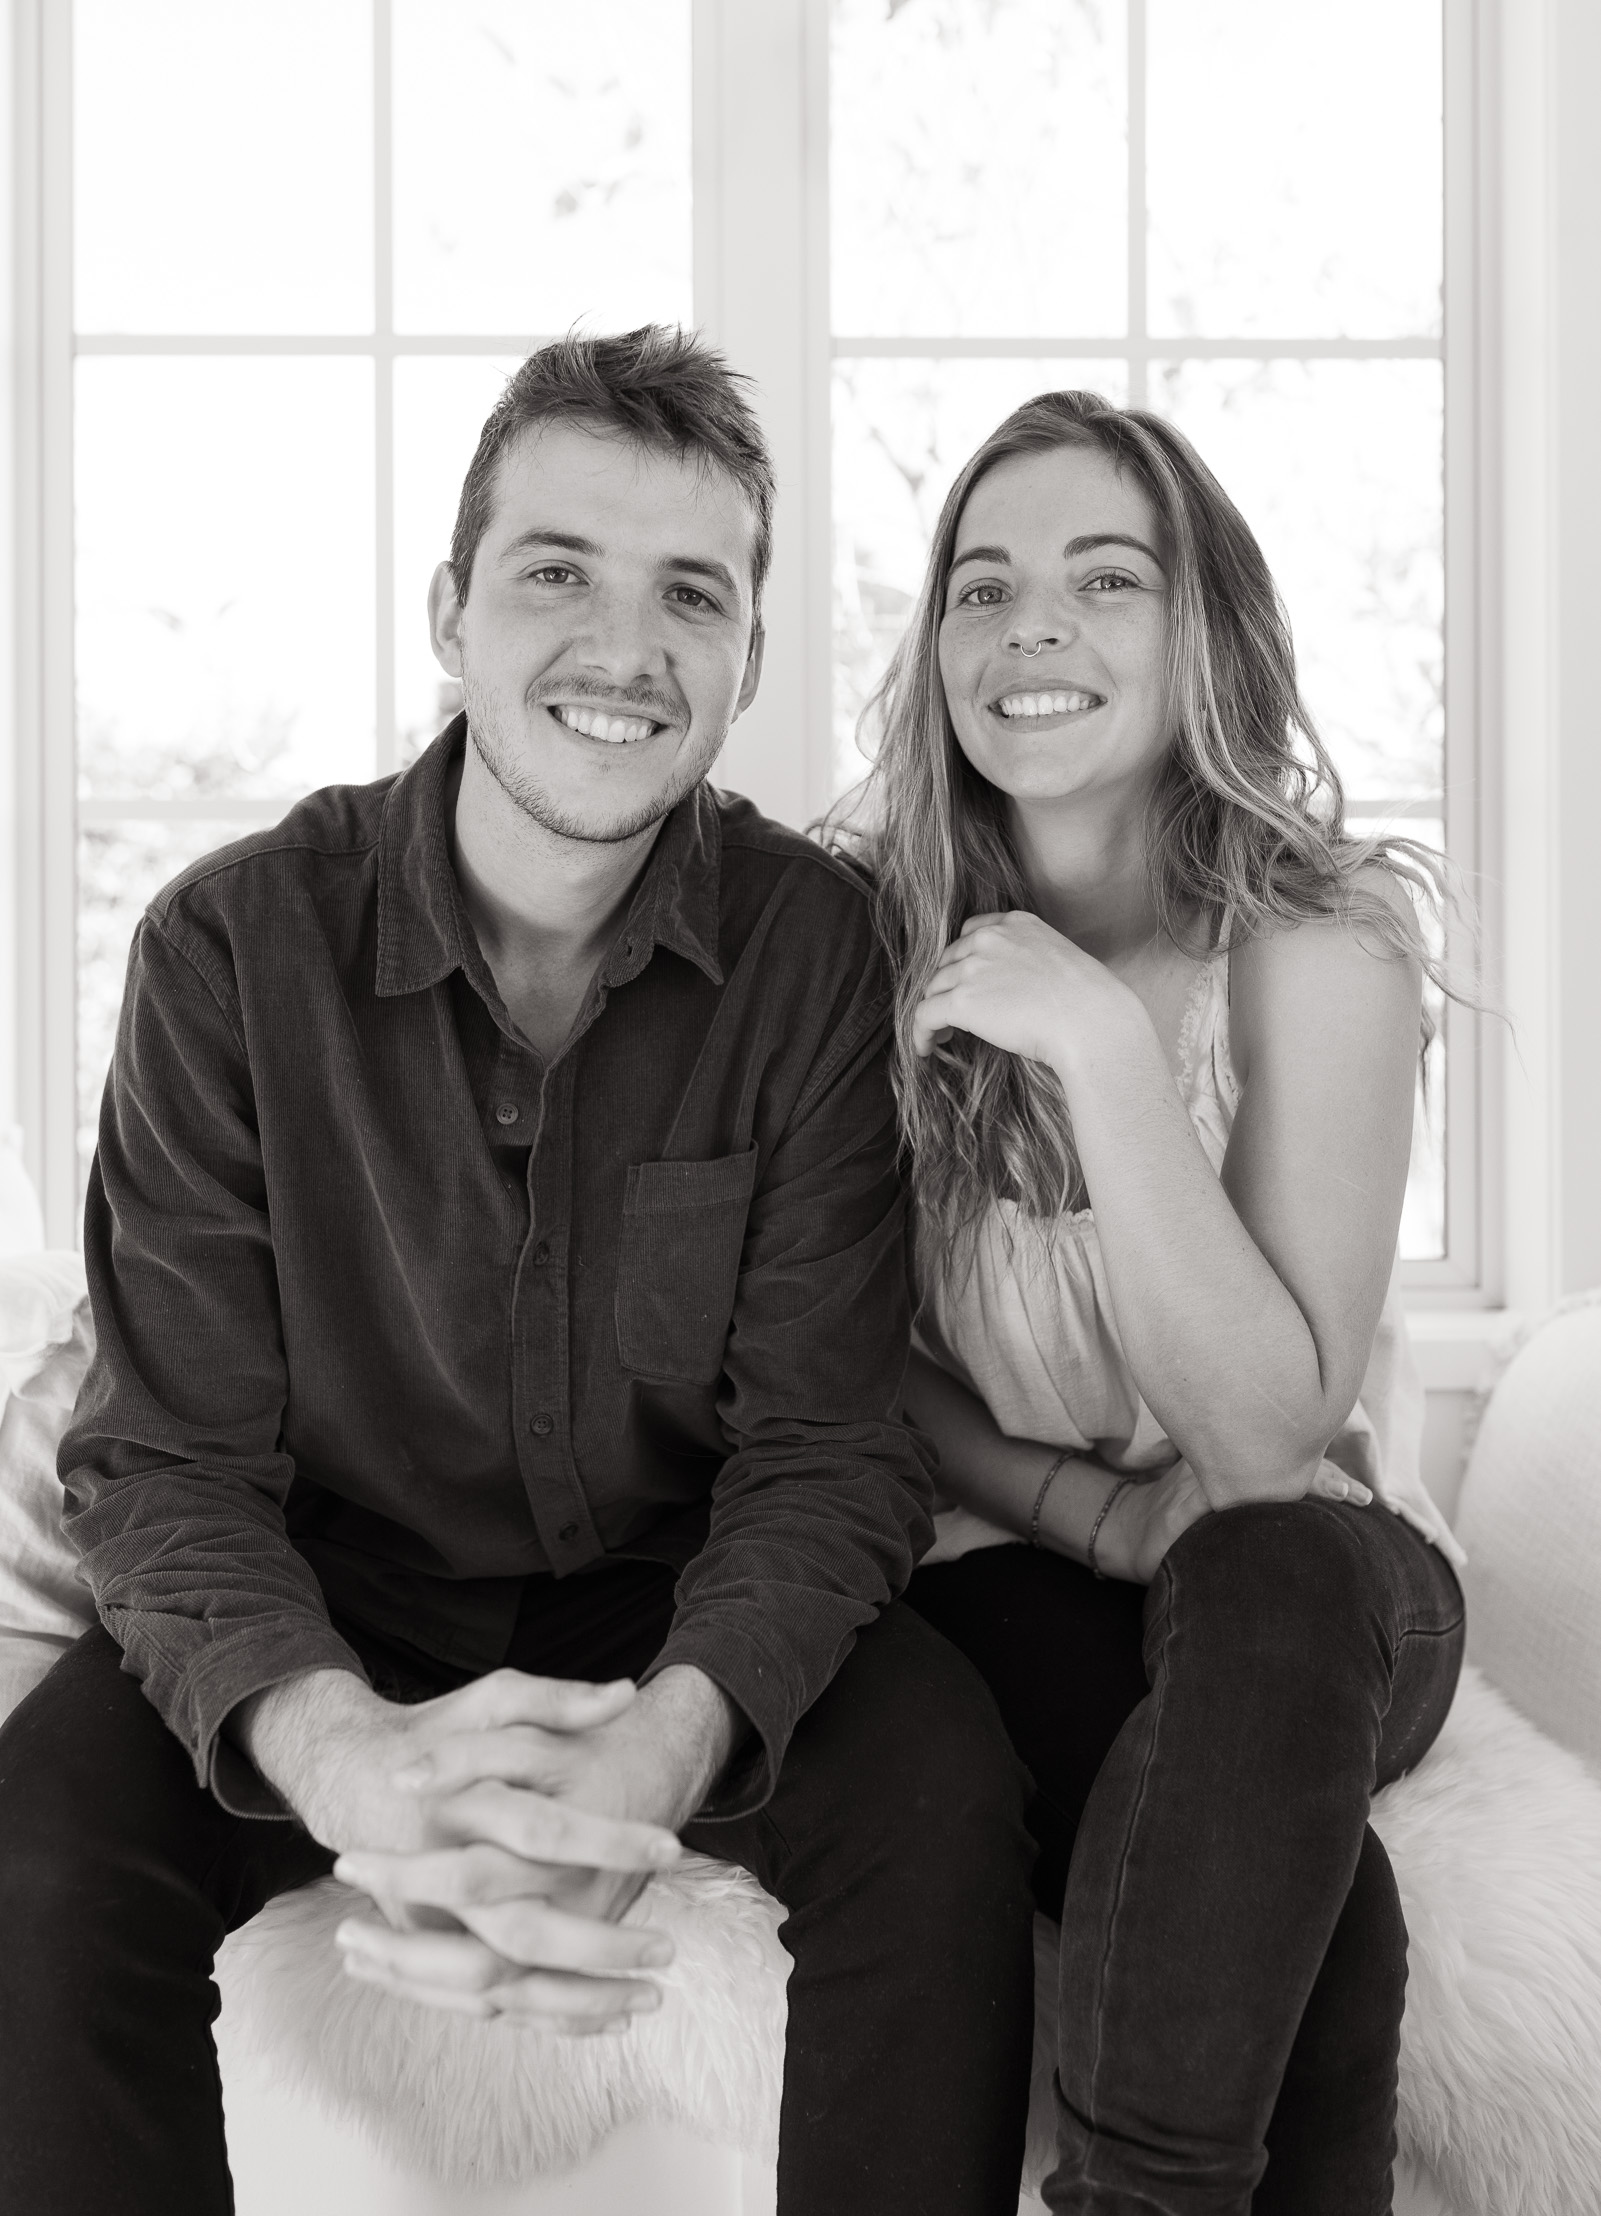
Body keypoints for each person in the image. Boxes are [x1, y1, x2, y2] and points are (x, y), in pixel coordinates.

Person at [0, 329, 1040, 2216]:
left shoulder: (814, 955)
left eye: (689, 597)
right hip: (334, 1583)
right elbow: (165, 1466)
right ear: (449, 611)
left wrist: (663, 1742)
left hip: (670, 1588)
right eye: (556, 570)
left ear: (742, 658)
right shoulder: (229, 952)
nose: (621, 652)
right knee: (40, 1854)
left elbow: (826, 1446)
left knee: (941, 1790)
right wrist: (346, 1763)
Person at [847, 388, 1467, 2215]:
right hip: (1017, 1555)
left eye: (1103, 579)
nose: (1029, 626)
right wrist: (1095, 1517)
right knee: (1317, 1916)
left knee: (1263, 1571)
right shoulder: (858, 939)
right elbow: (860, 1365)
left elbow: (1269, 1441)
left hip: (1325, 1576)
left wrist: (1101, 1052)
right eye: (982, 585)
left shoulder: (1321, 936)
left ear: (1201, 631)